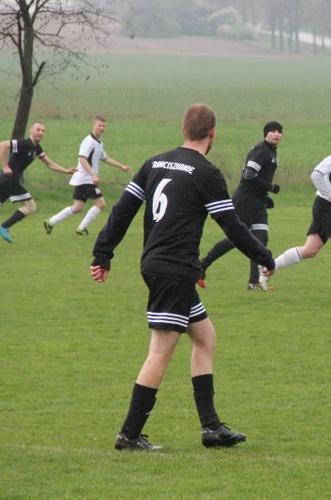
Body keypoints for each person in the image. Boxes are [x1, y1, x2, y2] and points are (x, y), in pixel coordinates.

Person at [90, 103, 276, 451]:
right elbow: (233, 226)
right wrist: (264, 255)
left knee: (205, 338)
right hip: (174, 269)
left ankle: (211, 428)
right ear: (213, 133)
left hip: (160, 264)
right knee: (160, 352)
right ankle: (129, 435)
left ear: (182, 129)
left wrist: (103, 253)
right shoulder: (206, 172)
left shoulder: (155, 163)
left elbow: (123, 210)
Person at [261, 129, 331, 302]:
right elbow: (316, 174)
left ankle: (269, 266)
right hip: (326, 206)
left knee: (310, 250)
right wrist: (330, 193)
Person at [198, 121, 283, 290]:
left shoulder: (271, 152)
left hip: (257, 201)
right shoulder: (261, 150)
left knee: (260, 239)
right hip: (245, 200)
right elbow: (249, 175)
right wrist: (270, 188)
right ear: (265, 133)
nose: (276, 134)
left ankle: (254, 282)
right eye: (273, 131)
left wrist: (264, 197)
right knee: (235, 240)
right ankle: (202, 265)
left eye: (279, 131)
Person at [44, 115, 132, 236]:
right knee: (101, 204)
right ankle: (81, 227)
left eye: (104, 126)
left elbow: (105, 158)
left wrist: (121, 166)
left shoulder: (99, 142)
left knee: (78, 207)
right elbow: (82, 159)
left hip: (84, 179)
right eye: (99, 125)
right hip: (86, 179)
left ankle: (51, 222)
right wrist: (93, 175)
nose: (101, 128)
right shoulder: (88, 141)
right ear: (93, 126)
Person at [0, 122, 75, 243]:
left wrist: (66, 171)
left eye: (43, 131)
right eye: (38, 130)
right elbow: (2, 145)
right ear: (31, 130)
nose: (40, 133)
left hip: (4, 180)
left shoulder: (36, 148)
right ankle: (4, 227)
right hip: (9, 179)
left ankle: (4, 227)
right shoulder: (24, 144)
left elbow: (49, 164)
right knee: (31, 206)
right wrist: (5, 166)